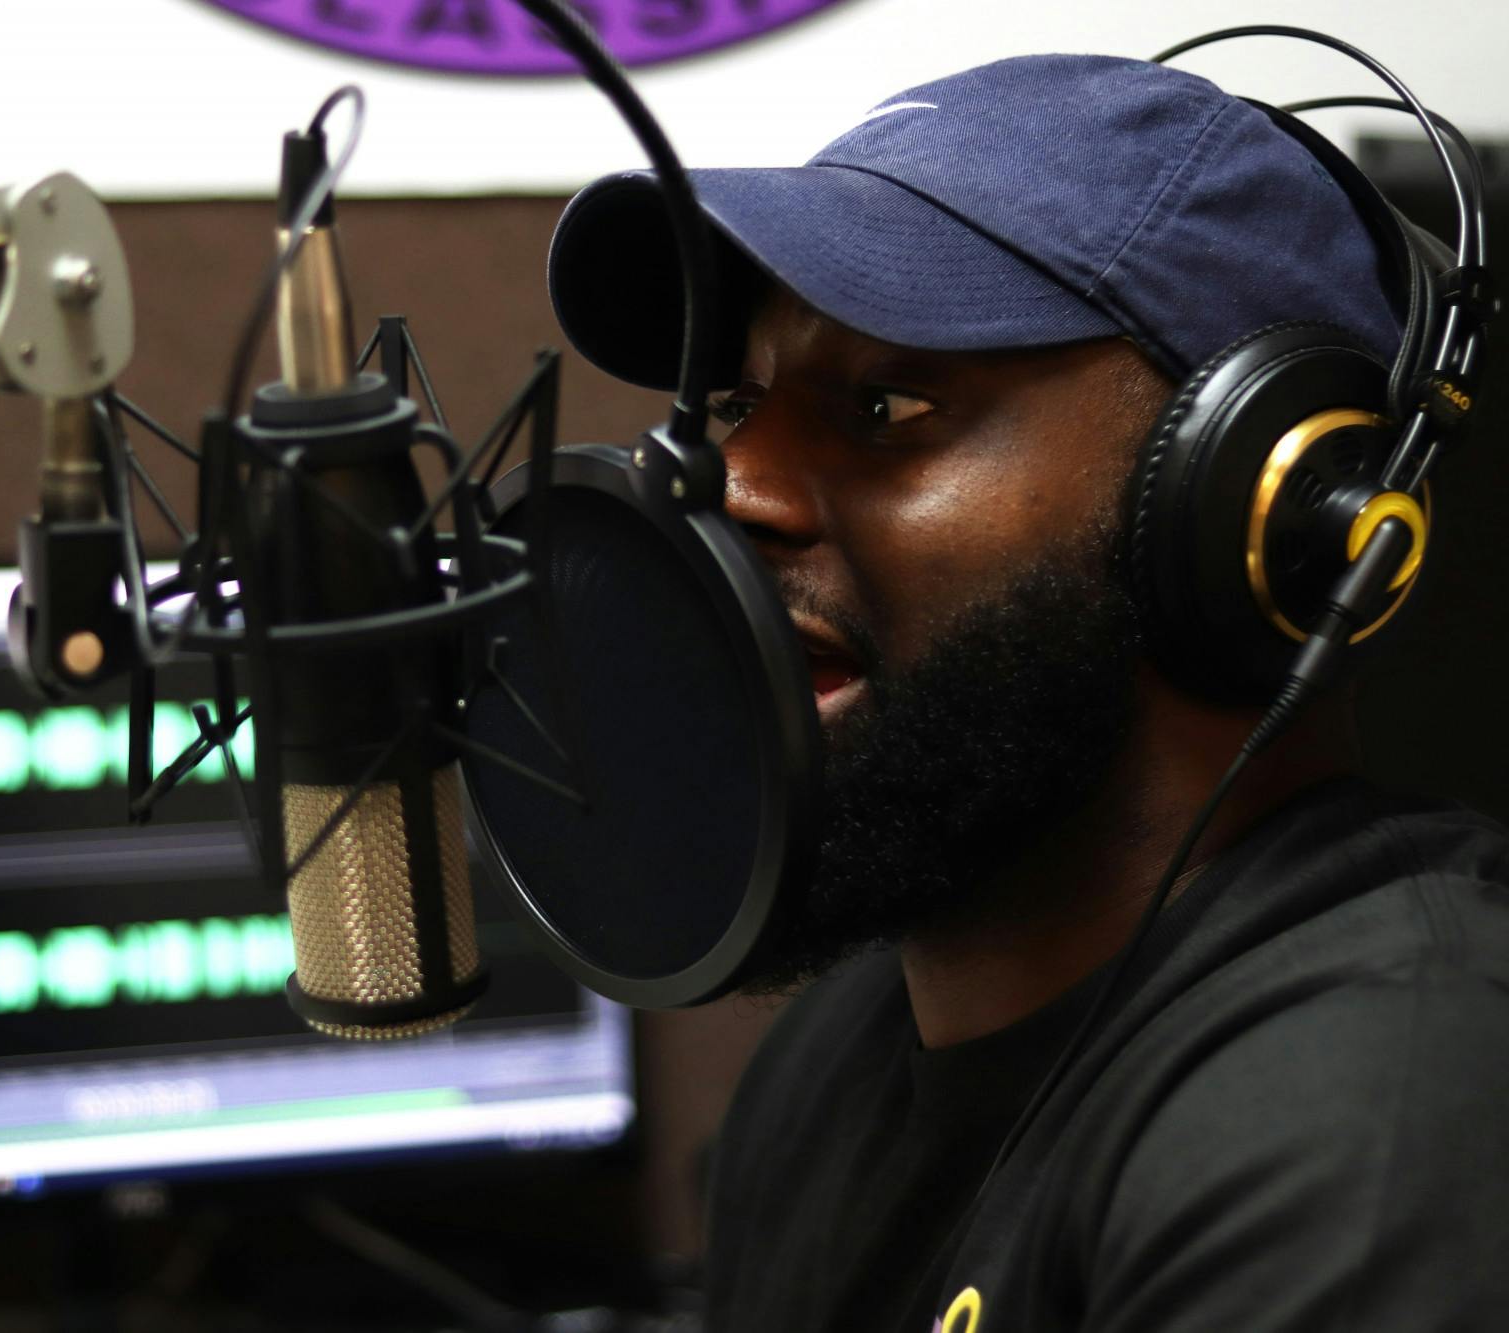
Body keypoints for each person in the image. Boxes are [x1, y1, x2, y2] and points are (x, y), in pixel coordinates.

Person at [544, 53, 1509, 1331]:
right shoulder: (832, 1058)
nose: (727, 484)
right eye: (737, 405)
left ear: (1250, 509)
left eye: (883, 404)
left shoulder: (1372, 1110)